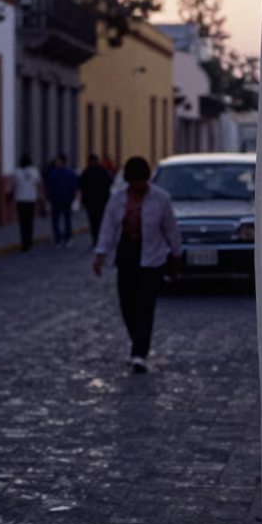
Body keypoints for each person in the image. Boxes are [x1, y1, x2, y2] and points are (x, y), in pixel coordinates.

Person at [93, 155, 182, 373]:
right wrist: (100, 254)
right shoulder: (117, 199)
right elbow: (108, 227)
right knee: (127, 304)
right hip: (127, 255)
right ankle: (137, 341)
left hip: (152, 257)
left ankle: (139, 352)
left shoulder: (161, 199)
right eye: (135, 181)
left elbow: (170, 228)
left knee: (145, 304)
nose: (139, 185)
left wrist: (177, 254)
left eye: (142, 181)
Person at [10, 152, 43, 251]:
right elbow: (39, 185)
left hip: (20, 200)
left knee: (22, 222)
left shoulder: (17, 172)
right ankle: (29, 240)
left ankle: (24, 242)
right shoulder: (35, 171)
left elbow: (13, 186)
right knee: (30, 222)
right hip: (31, 199)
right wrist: (41, 197)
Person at [77, 153, 113, 247]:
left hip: (90, 202)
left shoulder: (86, 172)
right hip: (101, 201)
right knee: (101, 221)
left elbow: (80, 185)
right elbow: (109, 183)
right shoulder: (103, 172)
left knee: (93, 222)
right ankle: (100, 239)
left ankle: (96, 240)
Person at [44, 153, 78, 247]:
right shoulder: (70, 172)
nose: (56, 162)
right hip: (65, 199)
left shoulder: (53, 173)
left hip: (57, 199)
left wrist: (48, 197)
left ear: (61, 161)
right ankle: (66, 238)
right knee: (66, 219)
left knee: (57, 220)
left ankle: (59, 239)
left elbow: (48, 186)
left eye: (57, 160)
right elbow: (74, 186)